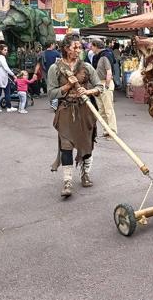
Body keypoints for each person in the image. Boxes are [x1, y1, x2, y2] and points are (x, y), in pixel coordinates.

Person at [48, 33, 103, 197]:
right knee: (66, 147)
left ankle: (85, 174)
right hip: (65, 111)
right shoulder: (55, 68)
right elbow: (51, 93)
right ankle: (67, 182)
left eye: (80, 47)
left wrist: (88, 91)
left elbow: (100, 86)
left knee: (86, 145)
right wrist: (67, 87)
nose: (79, 50)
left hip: (85, 111)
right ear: (66, 48)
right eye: (75, 47)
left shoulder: (86, 66)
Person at [91, 39, 117, 137]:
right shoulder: (98, 56)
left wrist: (106, 84)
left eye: (92, 46)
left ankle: (112, 131)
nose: (91, 47)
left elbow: (109, 72)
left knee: (108, 109)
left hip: (105, 83)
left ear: (96, 46)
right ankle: (107, 130)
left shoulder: (105, 56)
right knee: (102, 109)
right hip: (100, 84)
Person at [0, 44, 17, 113]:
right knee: (7, 92)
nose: (6, 51)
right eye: (4, 50)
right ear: (0, 50)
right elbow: (6, 68)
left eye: (6, 50)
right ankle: (9, 107)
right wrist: (13, 75)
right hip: (2, 76)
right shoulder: (1, 57)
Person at [40, 41, 61, 110]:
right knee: (55, 87)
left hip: (46, 73)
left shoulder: (42, 53)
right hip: (55, 73)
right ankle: (54, 103)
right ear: (51, 44)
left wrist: (35, 73)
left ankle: (52, 102)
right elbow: (59, 63)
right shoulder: (56, 53)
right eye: (54, 44)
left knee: (49, 88)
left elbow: (40, 64)